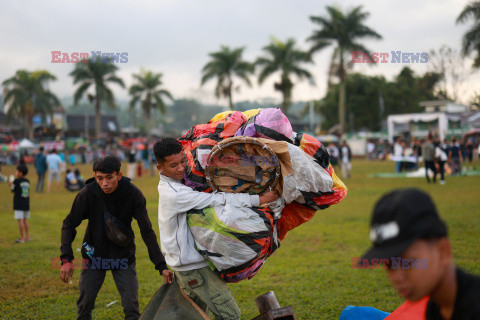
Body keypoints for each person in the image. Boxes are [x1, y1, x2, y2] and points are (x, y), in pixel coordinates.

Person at [153, 138, 279, 320]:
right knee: (230, 315)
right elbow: (216, 199)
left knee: (197, 316)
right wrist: (258, 200)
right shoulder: (175, 194)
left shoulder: (177, 185)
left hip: (186, 267)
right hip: (194, 268)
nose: (181, 168)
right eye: (173, 165)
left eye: (182, 161)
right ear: (160, 168)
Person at [60, 156, 172, 320]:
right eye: (100, 178)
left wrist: (161, 265)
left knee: (131, 309)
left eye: (109, 177)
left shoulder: (133, 195)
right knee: (84, 307)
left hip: (123, 257)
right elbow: (69, 224)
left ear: (119, 175)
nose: (104, 183)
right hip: (93, 257)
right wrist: (66, 259)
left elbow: (147, 231)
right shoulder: (88, 194)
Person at [361, 188, 480, 320]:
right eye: (389, 265)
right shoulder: (436, 308)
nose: (397, 277)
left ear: (443, 251)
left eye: (408, 262)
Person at [9, 164, 32, 243]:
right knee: (25, 220)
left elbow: (12, 190)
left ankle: (22, 238)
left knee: (20, 220)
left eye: (17, 171)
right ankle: (27, 236)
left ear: (21, 173)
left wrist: (11, 184)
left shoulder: (16, 181)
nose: (16, 172)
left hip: (18, 204)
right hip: (26, 203)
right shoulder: (27, 181)